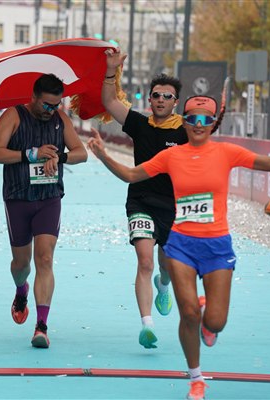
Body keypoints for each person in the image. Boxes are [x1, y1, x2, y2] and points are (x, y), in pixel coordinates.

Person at [87, 95, 270, 400]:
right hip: (181, 245)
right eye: (192, 119)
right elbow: (132, 175)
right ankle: (196, 379)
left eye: (205, 120)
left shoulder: (226, 152)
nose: (199, 125)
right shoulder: (171, 156)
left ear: (212, 124)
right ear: (184, 123)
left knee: (215, 322)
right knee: (187, 314)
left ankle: (207, 317)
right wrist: (104, 155)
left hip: (217, 246)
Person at [0, 73, 88, 348]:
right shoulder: (13, 116)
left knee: (45, 259)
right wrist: (31, 154)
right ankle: (21, 289)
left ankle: (41, 326)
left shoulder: (60, 119)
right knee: (21, 265)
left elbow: (81, 153)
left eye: (56, 105)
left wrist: (60, 156)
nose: (51, 110)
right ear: (33, 97)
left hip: (49, 197)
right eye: (46, 105)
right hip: (18, 198)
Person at [101, 47, 188, 349]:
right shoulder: (139, 124)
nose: (161, 100)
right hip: (140, 202)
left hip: (174, 207)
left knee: (166, 266)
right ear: (149, 99)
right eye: (156, 95)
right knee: (145, 261)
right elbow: (110, 101)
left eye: (167, 96)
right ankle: (146, 324)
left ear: (176, 102)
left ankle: (163, 286)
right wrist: (111, 70)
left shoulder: (186, 131)